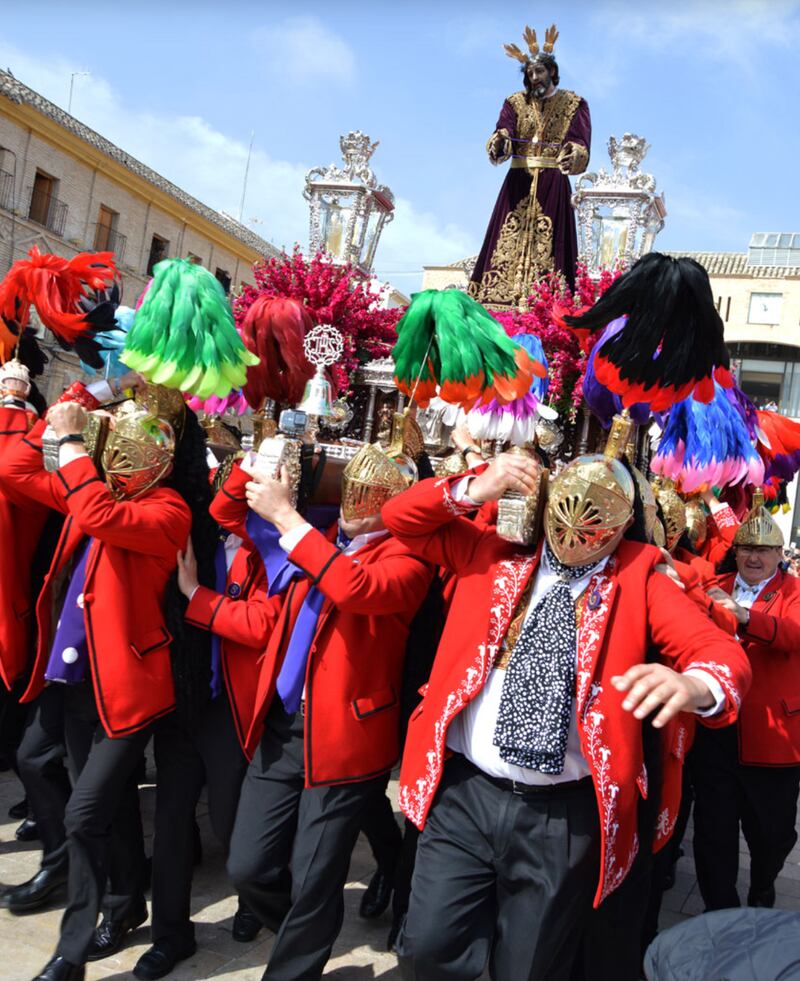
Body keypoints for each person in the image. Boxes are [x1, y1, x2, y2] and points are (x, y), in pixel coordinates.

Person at [382, 427, 751, 981]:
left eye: (596, 522)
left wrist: (697, 686)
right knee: (426, 950)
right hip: (465, 794)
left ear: (625, 526)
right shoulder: (492, 549)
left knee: (529, 968)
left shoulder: (641, 576)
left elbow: (717, 650)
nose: (576, 531)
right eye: (566, 511)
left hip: (563, 814)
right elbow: (400, 518)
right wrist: (475, 485)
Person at [225, 427, 433, 980]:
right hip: (282, 724)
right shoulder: (315, 532)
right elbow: (229, 515)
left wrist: (288, 518)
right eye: (355, 488)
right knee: (248, 866)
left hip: (346, 740)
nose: (360, 504)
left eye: (377, 496)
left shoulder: (409, 559)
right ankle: (303, 923)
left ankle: (296, 963)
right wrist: (263, 457)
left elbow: (354, 589)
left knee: (314, 876)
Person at [0, 379, 191, 981]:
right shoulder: (93, 488)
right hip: (74, 684)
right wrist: (83, 397)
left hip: (127, 693)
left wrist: (75, 443)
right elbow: (13, 466)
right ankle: (123, 899)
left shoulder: (167, 510)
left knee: (86, 816)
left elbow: (100, 514)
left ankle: (70, 951)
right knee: (94, 806)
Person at [131, 455, 274, 981]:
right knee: (170, 820)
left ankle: (252, 901)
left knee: (231, 817)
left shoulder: (276, 549)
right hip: (183, 697)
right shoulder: (195, 528)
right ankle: (171, 935)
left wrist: (195, 595)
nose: (232, 507)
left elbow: (261, 625)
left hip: (231, 706)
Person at [692, 489, 800, 911]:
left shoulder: (794, 591)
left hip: (773, 740)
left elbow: (792, 634)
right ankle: (721, 912)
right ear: (735, 552)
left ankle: (763, 886)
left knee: (773, 836)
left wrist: (742, 616)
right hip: (715, 732)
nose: (754, 558)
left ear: (779, 554)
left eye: (764, 550)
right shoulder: (713, 586)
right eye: (747, 549)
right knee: (713, 833)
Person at [468, 21, 590, 306]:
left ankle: (547, 303)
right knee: (504, 239)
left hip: (552, 182)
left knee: (552, 246)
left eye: (540, 71)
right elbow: (504, 128)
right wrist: (501, 140)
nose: (535, 77)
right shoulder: (514, 102)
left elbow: (580, 140)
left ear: (552, 72)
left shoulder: (574, 103)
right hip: (518, 181)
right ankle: (496, 301)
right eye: (530, 72)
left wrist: (572, 152)